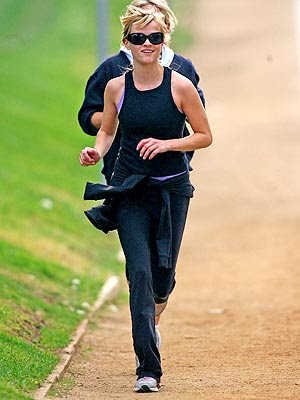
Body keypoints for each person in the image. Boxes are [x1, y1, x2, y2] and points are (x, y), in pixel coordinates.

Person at [79, 4, 212, 392]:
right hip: (129, 189)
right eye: (139, 38)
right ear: (128, 43)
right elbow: (106, 130)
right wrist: (96, 151)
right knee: (138, 273)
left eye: (155, 37)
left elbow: (204, 135)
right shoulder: (116, 86)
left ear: (164, 40)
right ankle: (147, 369)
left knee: (160, 279)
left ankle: (153, 319)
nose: (147, 44)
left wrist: (168, 143)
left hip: (171, 190)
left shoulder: (181, 85)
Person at [78, 0, 205, 185]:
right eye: (139, 33)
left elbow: (198, 122)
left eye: (153, 31)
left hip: (170, 172)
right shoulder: (111, 70)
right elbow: (87, 118)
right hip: (121, 168)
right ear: (128, 34)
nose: (146, 39)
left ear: (166, 28)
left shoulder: (182, 69)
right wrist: (123, 112)